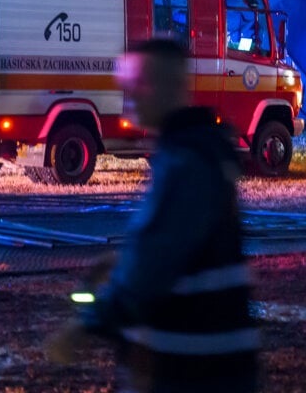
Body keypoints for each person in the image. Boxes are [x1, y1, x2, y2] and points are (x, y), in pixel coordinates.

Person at [46, 38, 259, 393]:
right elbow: (184, 247)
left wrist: (87, 325)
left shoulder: (186, 161)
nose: (129, 93)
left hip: (194, 366)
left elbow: (155, 265)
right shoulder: (190, 151)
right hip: (204, 359)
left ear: (170, 86)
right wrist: (124, 259)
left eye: (139, 83)